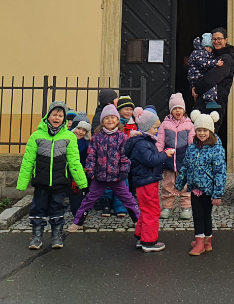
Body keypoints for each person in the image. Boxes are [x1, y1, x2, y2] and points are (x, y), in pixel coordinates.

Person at [16, 100, 87, 251]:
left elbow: (74, 161)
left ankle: (56, 235)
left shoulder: (69, 137)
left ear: (64, 119)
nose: (57, 118)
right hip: (41, 182)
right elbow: (28, 160)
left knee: (58, 209)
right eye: (54, 114)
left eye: (60, 115)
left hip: (60, 182)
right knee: (38, 209)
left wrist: (82, 183)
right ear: (48, 116)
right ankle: (37, 236)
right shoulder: (36, 136)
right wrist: (22, 183)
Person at [67, 104, 140, 232]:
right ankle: (78, 222)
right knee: (89, 200)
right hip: (99, 177)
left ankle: (138, 221)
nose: (110, 120)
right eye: (107, 118)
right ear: (102, 121)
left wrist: (123, 171)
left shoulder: (122, 137)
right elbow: (91, 156)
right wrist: (90, 171)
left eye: (113, 118)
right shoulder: (96, 137)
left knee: (128, 199)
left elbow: (125, 156)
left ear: (117, 120)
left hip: (117, 177)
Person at [175, 110, 226, 256]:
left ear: (210, 131)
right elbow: (185, 167)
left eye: (204, 130)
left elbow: (220, 172)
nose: (201, 133)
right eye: (198, 130)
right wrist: (179, 184)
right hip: (194, 188)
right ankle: (200, 241)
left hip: (208, 189)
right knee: (197, 215)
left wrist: (217, 193)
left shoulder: (216, 149)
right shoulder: (192, 148)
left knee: (206, 215)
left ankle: (205, 241)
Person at [125, 109, 171, 252]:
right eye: (155, 127)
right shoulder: (142, 144)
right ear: (146, 128)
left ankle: (141, 235)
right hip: (147, 180)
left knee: (145, 209)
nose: (156, 130)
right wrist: (165, 155)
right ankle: (149, 241)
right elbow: (150, 160)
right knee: (152, 210)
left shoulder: (143, 141)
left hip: (145, 180)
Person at [156, 92, 195, 219]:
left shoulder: (189, 125)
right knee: (167, 185)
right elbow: (160, 141)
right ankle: (167, 207)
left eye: (180, 108)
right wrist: (158, 155)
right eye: (175, 108)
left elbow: (192, 143)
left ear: (184, 110)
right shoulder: (165, 124)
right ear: (171, 110)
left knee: (185, 186)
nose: (178, 111)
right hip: (168, 160)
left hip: (184, 161)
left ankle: (186, 207)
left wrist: (192, 158)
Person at [68, 114, 91, 220]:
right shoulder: (66, 139)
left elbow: (88, 157)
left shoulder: (86, 144)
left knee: (76, 195)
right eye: (79, 128)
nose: (80, 132)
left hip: (78, 172)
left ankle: (78, 216)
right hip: (65, 171)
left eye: (84, 130)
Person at [188, 34, 220, 111]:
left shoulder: (196, 53)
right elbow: (204, 63)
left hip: (194, 76)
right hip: (198, 76)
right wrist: (215, 63)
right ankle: (210, 101)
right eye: (210, 48)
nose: (210, 50)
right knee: (210, 84)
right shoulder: (201, 54)